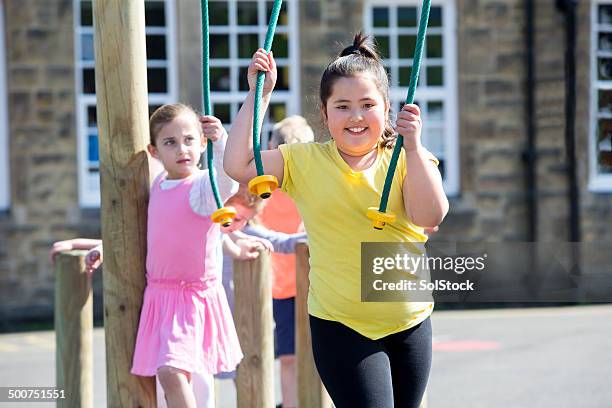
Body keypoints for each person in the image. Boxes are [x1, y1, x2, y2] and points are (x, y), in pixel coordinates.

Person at [224, 33, 448, 408]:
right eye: (342, 106)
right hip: (342, 325)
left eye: (367, 104)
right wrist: (259, 95)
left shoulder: (408, 157)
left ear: (387, 108)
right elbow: (239, 165)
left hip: (409, 321)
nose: (356, 116)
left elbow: (430, 214)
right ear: (325, 114)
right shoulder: (303, 160)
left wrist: (413, 146)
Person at [130, 103, 241, 408]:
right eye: (170, 142)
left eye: (190, 140)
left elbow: (226, 181)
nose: (182, 149)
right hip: (160, 297)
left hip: (190, 300)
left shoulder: (202, 186)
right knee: (184, 383)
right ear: (154, 152)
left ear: (201, 143)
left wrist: (222, 141)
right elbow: (152, 235)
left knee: (170, 372)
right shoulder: (158, 184)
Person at [261, 115, 314, 408]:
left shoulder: (311, 189)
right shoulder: (265, 191)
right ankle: (292, 404)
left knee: (316, 353)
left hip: (314, 284)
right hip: (282, 286)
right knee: (288, 355)